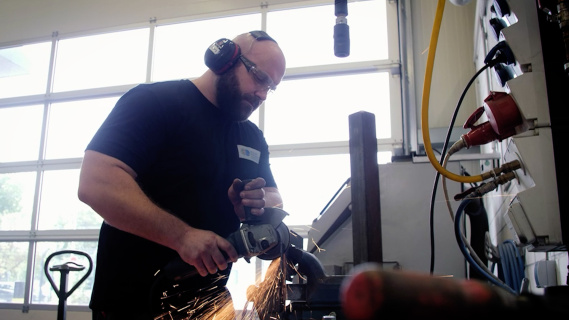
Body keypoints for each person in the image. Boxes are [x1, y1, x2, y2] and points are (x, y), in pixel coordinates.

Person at [77, 30, 286, 320]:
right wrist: (182, 237)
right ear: (225, 58)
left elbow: (274, 198)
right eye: (260, 78)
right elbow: (96, 183)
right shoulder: (153, 103)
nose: (263, 94)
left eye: (271, 87)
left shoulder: (251, 137)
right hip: (133, 304)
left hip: (208, 305)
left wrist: (260, 205)